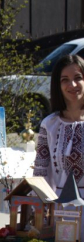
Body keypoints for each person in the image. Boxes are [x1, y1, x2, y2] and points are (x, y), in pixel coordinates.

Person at [34, 54, 84, 196]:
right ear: (58, 85)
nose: (72, 85)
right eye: (65, 80)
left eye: (78, 78)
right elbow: (41, 173)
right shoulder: (50, 125)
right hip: (62, 210)